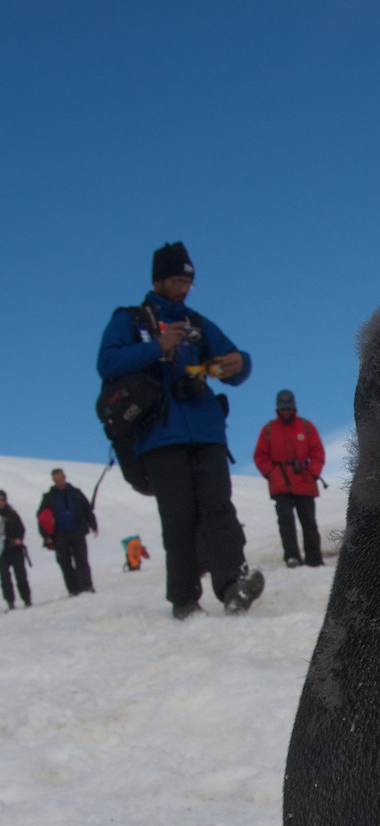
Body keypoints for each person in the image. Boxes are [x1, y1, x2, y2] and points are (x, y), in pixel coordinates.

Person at [97, 240, 264, 620]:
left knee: (219, 508)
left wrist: (240, 364)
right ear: (158, 280)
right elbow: (106, 362)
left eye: (188, 281)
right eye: (176, 280)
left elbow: (238, 365)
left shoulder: (199, 324)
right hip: (160, 435)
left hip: (207, 431)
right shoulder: (130, 320)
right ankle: (185, 599)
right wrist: (157, 346)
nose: (184, 288)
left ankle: (231, 586)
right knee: (178, 517)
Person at [253, 389, 326, 567]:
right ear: (278, 408)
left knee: (309, 522)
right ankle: (292, 557)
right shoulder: (269, 430)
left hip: (304, 482)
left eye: (288, 408)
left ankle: (314, 559)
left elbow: (318, 452)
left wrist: (313, 472)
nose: (286, 411)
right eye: (283, 408)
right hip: (280, 484)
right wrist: (271, 474)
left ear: (294, 407)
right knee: (286, 522)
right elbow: (260, 456)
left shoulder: (306, 427)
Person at [37, 469, 97, 596]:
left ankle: (87, 586)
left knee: (82, 560)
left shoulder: (76, 493)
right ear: (53, 481)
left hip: (77, 531)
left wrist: (93, 525)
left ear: (65, 477)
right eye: (56, 480)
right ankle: (74, 589)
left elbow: (87, 509)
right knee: (65, 563)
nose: (59, 481)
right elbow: (42, 517)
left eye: (61, 478)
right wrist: (46, 536)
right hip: (59, 536)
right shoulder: (48, 497)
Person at [0, 490, 32, 609]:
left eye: (2, 500)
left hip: (15, 549)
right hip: (2, 552)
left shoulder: (12, 514)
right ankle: (10, 602)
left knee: (21, 576)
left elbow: (21, 528)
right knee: (5, 578)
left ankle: (27, 599)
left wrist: (18, 539)